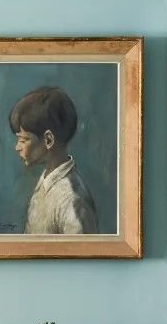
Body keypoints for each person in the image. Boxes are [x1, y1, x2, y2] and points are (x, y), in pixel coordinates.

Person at [9, 86, 99, 234]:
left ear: (48, 140)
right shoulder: (45, 182)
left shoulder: (72, 199)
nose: (17, 147)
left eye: (23, 140)